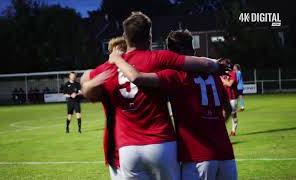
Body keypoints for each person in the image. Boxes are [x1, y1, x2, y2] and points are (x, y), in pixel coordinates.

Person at [81, 12, 229, 180]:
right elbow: (200, 63)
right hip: (161, 142)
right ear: (149, 36)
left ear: (125, 36)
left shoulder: (110, 66)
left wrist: (106, 66)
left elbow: (85, 81)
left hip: (127, 147)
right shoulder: (159, 58)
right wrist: (216, 66)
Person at [108, 29, 237, 180]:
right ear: (193, 49)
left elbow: (138, 78)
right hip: (226, 155)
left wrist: (117, 58)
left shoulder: (176, 75)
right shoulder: (214, 75)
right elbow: (227, 108)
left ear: (174, 53)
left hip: (197, 157)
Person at [221, 61, 239, 136]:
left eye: (225, 64)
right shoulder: (221, 73)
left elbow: (230, 84)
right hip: (224, 97)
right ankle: (223, 131)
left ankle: (233, 130)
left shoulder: (233, 73)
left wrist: (222, 80)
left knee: (233, 114)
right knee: (223, 114)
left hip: (232, 97)